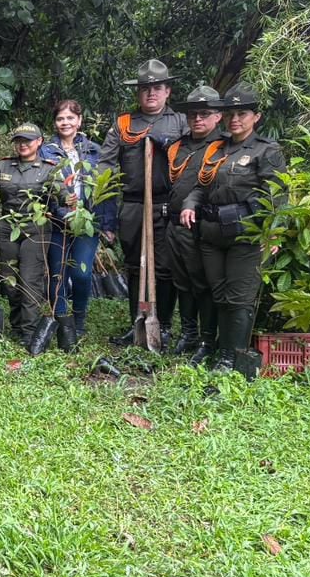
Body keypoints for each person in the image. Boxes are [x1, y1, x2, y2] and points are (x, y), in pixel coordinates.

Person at [180, 84, 285, 372]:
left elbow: (278, 194)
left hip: (246, 235)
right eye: (230, 114)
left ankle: (231, 358)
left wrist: (274, 231)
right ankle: (217, 349)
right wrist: (190, 204)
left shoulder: (266, 150)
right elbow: (201, 186)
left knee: (239, 297)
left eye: (242, 113)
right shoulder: (216, 149)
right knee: (218, 294)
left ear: (256, 117)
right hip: (212, 234)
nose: (235, 119)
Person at [99, 58, 189, 347]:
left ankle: (163, 325)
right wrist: (103, 205)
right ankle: (136, 321)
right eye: (145, 88)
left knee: (164, 268)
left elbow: (192, 160)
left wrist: (171, 146)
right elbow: (105, 165)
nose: (151, 93)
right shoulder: (124, 124)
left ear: (167, 91)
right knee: (135, 266)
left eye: (157, 88)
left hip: (166, 205)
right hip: (133, 204)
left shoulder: (181, 122)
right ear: (138, 92)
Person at [39, 99, 109, 344]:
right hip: (57, 222)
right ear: (54, 122)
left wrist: (108, 224)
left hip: (88, 221)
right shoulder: (45, 151)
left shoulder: (94, 150)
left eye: (70, 118)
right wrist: (60, 212)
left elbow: (105, 186)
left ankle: (79, 320)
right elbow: (43, 188)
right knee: (57, 275)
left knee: (81, 272)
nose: (65, 123)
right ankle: (62, 323)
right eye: (60, 118)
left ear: (79, 121)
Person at [165, 84, 223, 362]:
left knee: (202, 283)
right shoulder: (179, 145)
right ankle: (188, 333)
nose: (197, 119)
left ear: (218, 116)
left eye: (204, 114)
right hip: (174, 223)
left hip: (201, 225)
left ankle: (206, 339)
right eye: (192, 114)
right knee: (182, 282)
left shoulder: (223, 146)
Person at [0, 123, 60, 349]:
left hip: (36, 228)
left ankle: (29, 331)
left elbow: (61, 196)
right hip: (7, 226)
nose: (23, 145)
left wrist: (68, 200)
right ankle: (17, 324)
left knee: (30, 280)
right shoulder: (3, 165)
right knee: (9, 279)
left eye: (28, 141)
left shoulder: (49, 169)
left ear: (39, 142)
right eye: (19, 140)